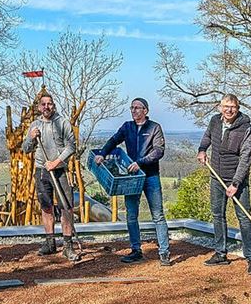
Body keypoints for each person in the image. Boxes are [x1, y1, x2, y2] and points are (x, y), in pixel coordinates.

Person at [96, 97, 171, 266]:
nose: (134, 110)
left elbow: (159, 151)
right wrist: (102, 153)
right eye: (132, 107)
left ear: (146, 111)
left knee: (158, 215)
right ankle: (136, 250)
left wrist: (140, 163)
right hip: (132, 179)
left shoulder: (154, 128)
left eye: (138, 108)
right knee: (131, 215)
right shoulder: (127, 127)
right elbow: (114, 140)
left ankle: (164, 252)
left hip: (150, 176)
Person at [197, 93, 251, 275]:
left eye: (233, 107)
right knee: (218, 215)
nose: (229, 110)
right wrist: (202, 150)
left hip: (237, 180)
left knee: (244, 218)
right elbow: (207, 137)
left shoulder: (245, 127)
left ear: (238, 108)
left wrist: (236, 183)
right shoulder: (215, 121)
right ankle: (220, 253)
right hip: (216, 176)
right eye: (226, 106)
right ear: (220, 107)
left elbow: (246, 158)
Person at [22, 92, 80, 262]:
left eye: (50, 104)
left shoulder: (62, 123)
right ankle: (50, 243)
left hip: (60, 170)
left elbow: (71, 147)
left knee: (66, 207)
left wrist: (56, 162)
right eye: (43, 104)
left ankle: (68, 245)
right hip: (41, 171)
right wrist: (31, 138)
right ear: (39, 107)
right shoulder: (34, 125)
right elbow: (26, 149)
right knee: (46, 207)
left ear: (54, 105)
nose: (46, 107)